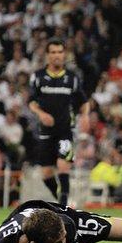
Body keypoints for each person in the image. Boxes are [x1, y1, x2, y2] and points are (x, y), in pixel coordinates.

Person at [29, 38, 90, 205]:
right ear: (48, 55)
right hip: (45, 131)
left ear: (64, 55)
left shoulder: (72, 78)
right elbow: (31, 102)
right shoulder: (38, 77)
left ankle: (63, 205)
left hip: (65, 129)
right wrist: (41, 114)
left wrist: (85, 116)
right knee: (46, 173)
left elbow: (84, 102)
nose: (57, 55)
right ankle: (59, 198)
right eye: (53, 52)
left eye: (60, 52)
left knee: (63, 166)